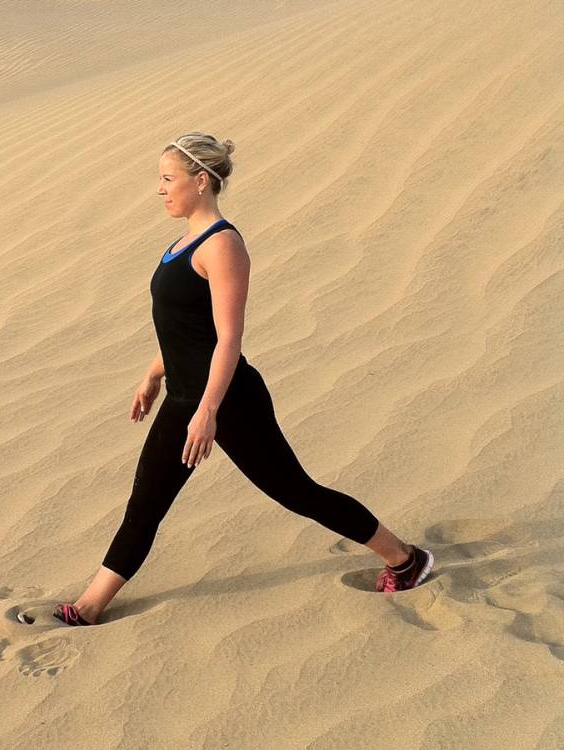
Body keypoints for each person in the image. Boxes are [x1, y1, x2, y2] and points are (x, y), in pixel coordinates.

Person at [52, 132, 433, 627]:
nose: (160, 190)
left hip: (230, 399)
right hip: (184, 395)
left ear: (201, 181)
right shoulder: (181, 242)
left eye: (168, 180)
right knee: (146, 502)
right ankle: (89, 606)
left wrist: (208, 411)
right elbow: (186, 330)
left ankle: (404, 558)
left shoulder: (223, 245)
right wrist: (152, 373)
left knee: (298, 492)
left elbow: (227, 339)